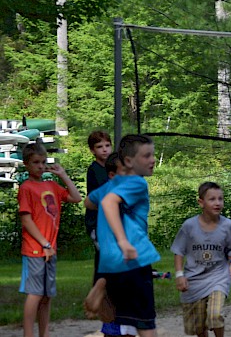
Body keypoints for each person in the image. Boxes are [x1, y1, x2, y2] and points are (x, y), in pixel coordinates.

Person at [97, 134, 161, 337]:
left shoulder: (111, 186)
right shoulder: (137, 183)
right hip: (135, 258)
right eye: (146, 156)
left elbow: (90, 202)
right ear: (129, 162)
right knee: (144, 323)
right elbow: (108, 203)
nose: (152, 160)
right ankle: (100, 287)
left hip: (114, 263)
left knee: (125, 321)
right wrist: (124, 241)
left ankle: (100, 286)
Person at [18, 143, 82, 337]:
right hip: (35, 249)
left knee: (46, 296)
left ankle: (44, 333)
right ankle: (28, 334)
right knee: (35, 294)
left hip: (50, 249)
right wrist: (44, 244)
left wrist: (62, 175)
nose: (40, 166)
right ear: (26, 164)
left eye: (43, 162)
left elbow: (76, 197)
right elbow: (27, 219)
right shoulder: (26, 188)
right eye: (35, 162)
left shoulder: (51, 185)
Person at [171, 182, 231, 337]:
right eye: (212, 199)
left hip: (218, 277)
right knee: (198, 326)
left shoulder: (228, 225)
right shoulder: (189, 226)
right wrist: (179, 275)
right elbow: (178, 251)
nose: (217, 203)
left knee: (215, 316)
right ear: (201, 202)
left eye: (220, 199)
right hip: (194, 280)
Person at [84, 152, 135, 337]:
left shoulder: (105, 190)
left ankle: (102, 284)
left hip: (108, 249)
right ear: (112, 175)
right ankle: (103, 284)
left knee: (112, 299)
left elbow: (87, 202)